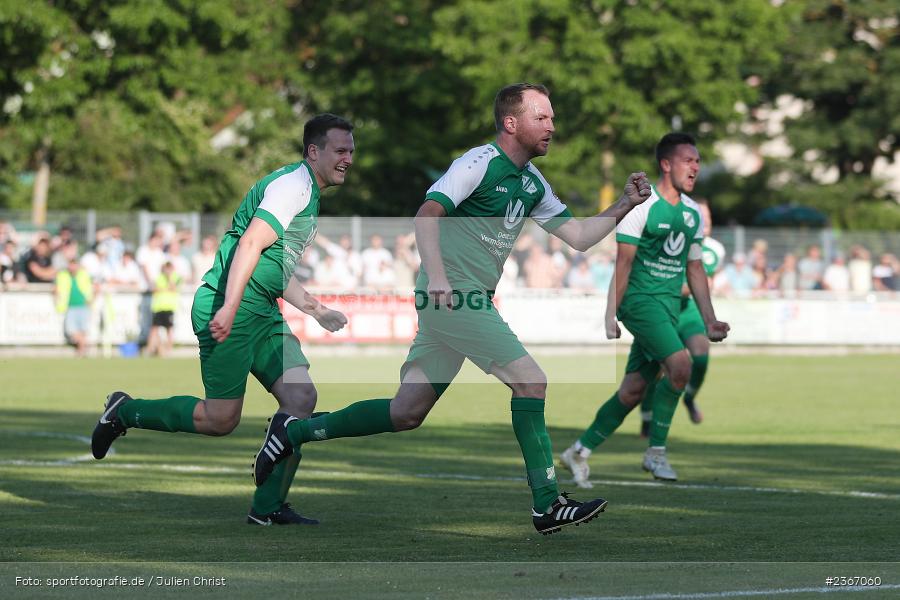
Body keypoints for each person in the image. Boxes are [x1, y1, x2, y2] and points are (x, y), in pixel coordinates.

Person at [251, 83, 651, 535]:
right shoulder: (477, 163)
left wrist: (624, 205)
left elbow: (578, 237)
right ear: (511, 123)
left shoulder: (532, 182)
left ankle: (294, 432)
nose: (552, 126)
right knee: (531, 381)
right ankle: (547, 503)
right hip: (455, 297)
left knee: (406, 412)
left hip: (459, 301)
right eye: (542, 117)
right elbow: (426, 214)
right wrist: (439, 277)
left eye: (552, 118)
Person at [90, 113, 355, 526]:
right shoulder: (292, 186)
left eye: (351, 151)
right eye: (340, 150)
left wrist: (317, 310)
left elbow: (273, 269)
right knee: (220, 420)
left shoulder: (307, 192)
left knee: (301, 399)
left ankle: (266, 508)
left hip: (261, 310)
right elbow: (250, 244)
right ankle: (123, 412)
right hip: (230, 306)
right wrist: (229, 308)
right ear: (314, 151)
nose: (348, 159)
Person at [559, 132, 729, 487]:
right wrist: (611, 312)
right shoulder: (643, 207)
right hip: (639, 303)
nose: (695, 167)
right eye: (688, 160)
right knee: (680, 364)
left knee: (633, 391)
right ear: (666, 165)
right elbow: (623, 265)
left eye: (698, 161)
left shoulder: (693, 213)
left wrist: (710, 319)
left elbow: (695, 269)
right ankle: (656, 453)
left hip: (668, 307)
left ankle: (579, 450)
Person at [638, 197, 724, 436]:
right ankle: (647, 417)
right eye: (702, 217)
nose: (706, 222)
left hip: (691, 312)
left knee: (701, 355)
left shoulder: (716, 250)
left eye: (709, 217)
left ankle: (690, 397)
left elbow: (706, 282)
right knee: (656, 368)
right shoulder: (675, 240)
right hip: (666, 309)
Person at [55, 257, 94, 357]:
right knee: (71, 330)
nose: (72, 267)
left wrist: (91, 300)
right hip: (70, 306)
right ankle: (83, 348)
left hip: (83, 306)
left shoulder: (84, 274)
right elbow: (56, 288)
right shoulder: (62, 275)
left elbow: (92, 287)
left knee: (83, 330)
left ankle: (81, 350)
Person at [145, 261, 181, 357]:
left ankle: (169, 350)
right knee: (154, 328)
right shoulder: (159, 277)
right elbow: (153, 288)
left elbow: (173, 287)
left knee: (169, 329)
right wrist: (164, 289)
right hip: (158, 306)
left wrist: (168, 279)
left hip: (169, 307)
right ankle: (150, 349)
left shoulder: (176, 277)